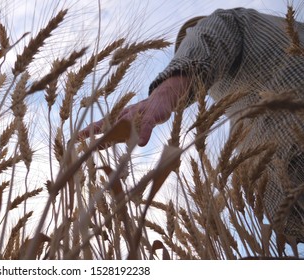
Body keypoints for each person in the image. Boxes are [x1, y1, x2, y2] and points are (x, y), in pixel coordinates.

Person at [80, 8, 304, 243]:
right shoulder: (236, 109)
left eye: (187, 44)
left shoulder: (229, 23)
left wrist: (167, 90)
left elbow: (216, 30)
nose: (187, 48)